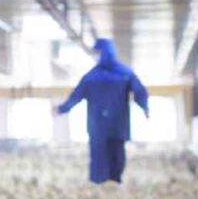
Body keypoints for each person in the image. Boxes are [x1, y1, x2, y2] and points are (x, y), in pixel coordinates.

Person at [54, 38, 149, 184]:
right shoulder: (125, 73)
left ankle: (100, 185)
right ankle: (114, 182)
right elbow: (140, 92)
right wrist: (144, 106)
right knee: (116, 156)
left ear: (102, 53)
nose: (96, 55)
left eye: (97, 52)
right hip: (118, 125)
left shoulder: (91, 77)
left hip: (97, 125)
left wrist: (61, 109)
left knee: (99, 157)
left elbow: (76, 96)